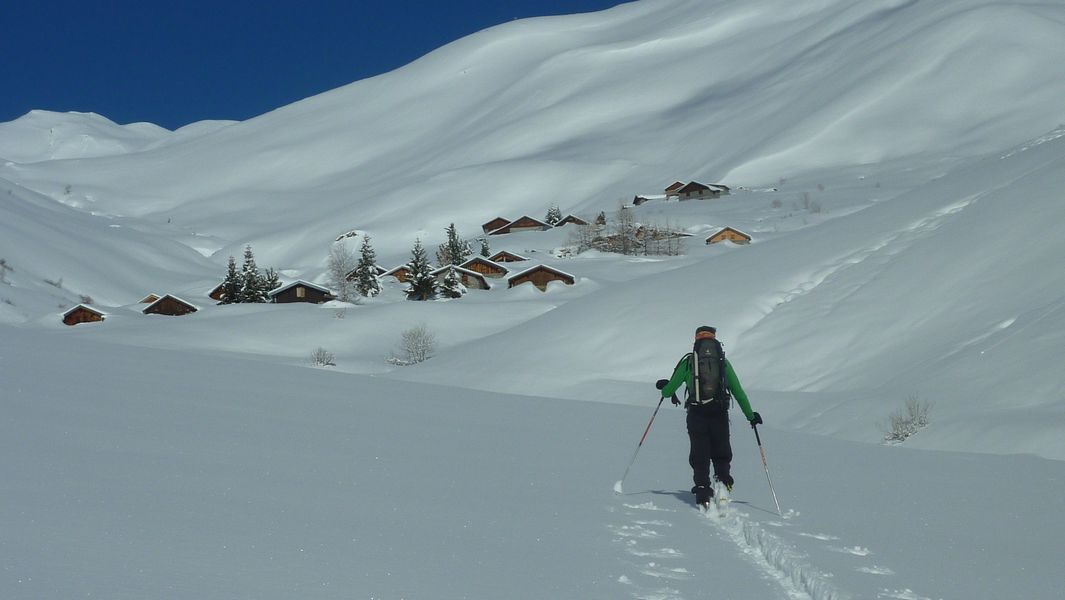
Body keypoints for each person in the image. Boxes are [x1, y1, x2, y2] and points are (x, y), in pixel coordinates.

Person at [656, 325, 762, 507]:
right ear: (715, 340)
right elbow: (738, 392)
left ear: (696, 340)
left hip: (696, 413)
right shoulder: (723, 363)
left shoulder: (689, 362)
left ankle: (703, 490)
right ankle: (722, 483)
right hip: (719, 413)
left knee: (699, 452)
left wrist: (664, 387)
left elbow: (668, 391)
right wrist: (750, 415)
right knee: (721, 450)